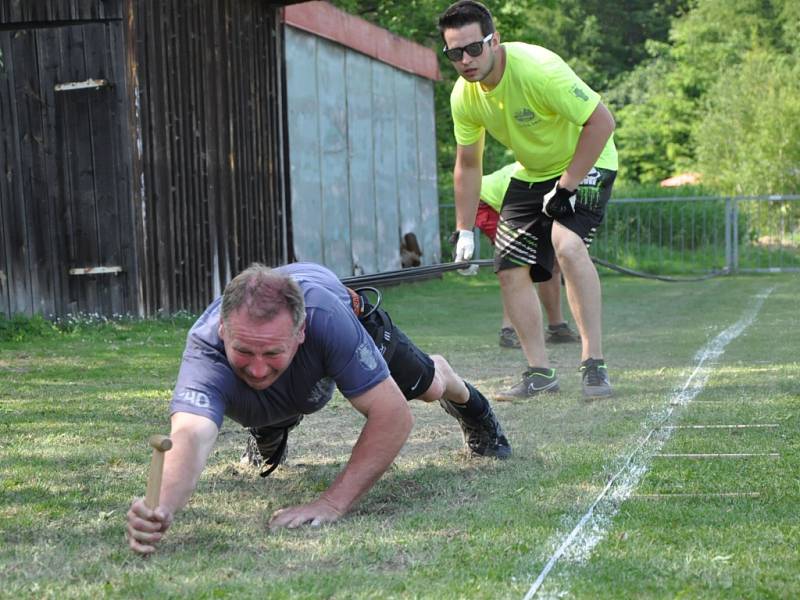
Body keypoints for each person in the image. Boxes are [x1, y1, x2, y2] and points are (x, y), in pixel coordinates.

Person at [125, 262, 510, 555]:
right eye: (243, 350)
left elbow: (393, 416)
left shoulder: (325, 319)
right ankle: (271, 425)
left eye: (273, 351)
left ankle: (472, 406)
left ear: (301, 333)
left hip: (345, 311)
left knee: (429, 387)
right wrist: (161, 509)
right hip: (294, 366)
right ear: (223, 331)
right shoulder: (205, 345)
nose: (257, 367)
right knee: (253, 384)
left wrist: (331, 503)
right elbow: (190, 433)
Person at [438, 0, 618, 399]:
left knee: (567, 247)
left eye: (473, 48)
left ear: (493, 41)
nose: (465, 60)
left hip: (588, 159)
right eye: (454, 53)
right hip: (532, 171)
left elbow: (602, 121)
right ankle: (540, 373)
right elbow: (468, 164)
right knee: (509, 267)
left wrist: (567, 185)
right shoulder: (464, 96)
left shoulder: (538, 69)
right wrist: (463, 230)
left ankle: (594, 365)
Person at [476, 162, 580, 349]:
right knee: (518, 264)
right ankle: (509, 330)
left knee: (550, 262)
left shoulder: (567, 174)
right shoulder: (551, 173)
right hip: (486, 202)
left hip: (512, 200)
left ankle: (557, 328)